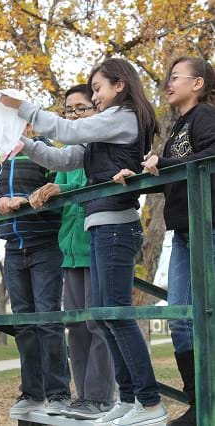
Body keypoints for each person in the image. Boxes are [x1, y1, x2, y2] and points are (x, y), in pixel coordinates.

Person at [0, 58, 167, 426]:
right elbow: (62, 156)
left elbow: (65, 130)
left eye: (97, 88)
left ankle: (151, 403)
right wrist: (22, 143)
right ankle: (128, 399)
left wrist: (22, 107)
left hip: (116, 226)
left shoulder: (123, 117)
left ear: (119, 86)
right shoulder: (102, 131)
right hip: (99, 225)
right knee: (104, 316)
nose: (95, 95)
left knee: (115, 315)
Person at [114, 56, 215, 426]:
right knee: (181, 320)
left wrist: (166, 164)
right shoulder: (178, 127)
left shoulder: (205, 117)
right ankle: (199, 403)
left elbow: (212, 154)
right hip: (184, 231)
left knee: (204, 317)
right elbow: (168, 169)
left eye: (175, 77)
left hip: (208, 227)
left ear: (198, 83)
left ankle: (209, 404)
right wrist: (140, 170)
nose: (168, 83)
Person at [29, 84, 116, 419]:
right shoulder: (65, 154)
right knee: (76, 327)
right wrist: (39, 195)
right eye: (70, 110)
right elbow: (61, 191)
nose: (76, 116)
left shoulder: (101, 147)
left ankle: (100, 397)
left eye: (83, 109)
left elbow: (93, 186)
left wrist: (60, 189)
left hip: (97, 244)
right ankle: (83, 397)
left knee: (98, 323)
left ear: (96, 112)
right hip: (70, 250)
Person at [0, 126, 71, 418]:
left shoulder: (44, 150)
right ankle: (32, 393)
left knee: (47, 320)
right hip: (13, 249)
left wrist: (36, 199)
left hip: (45, 245)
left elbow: (58, 194)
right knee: (24, 325)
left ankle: (58, 394)